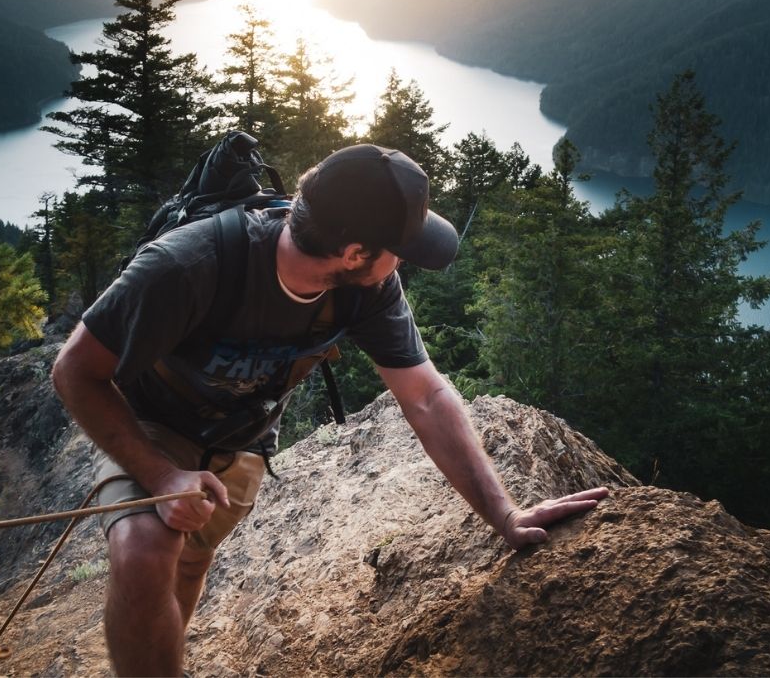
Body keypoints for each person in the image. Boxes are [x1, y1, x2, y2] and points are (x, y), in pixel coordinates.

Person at [52, 143, 608, 676]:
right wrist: (159, 474)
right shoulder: (188, 265)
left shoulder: (367, 289)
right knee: (144, 555)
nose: (401, 264)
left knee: (190, 559)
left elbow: (426, 395)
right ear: (354, 253)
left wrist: (505, 515)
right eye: (398, 250)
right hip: (148, 422)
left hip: (241, 437)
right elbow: (74, 370)